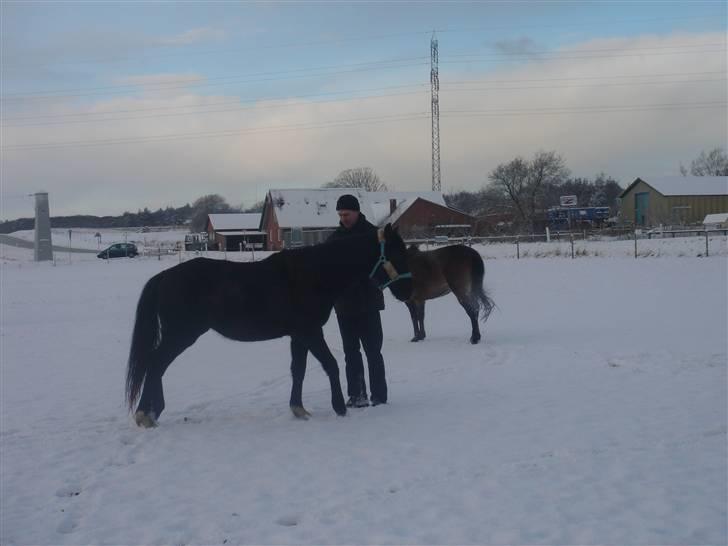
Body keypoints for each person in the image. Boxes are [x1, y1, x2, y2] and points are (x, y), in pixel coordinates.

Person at [327, 194, 387, 407]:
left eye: (347, 214)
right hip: (344, 305)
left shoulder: (373, 235)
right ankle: (357, 394)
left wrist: (376, 282)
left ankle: (379, 396)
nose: (344, 218)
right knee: (350, 353)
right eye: (341, 214)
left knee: (373, 352)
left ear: (357, 211)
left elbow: (385, 265)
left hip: (369, 303)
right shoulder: (334, 239)